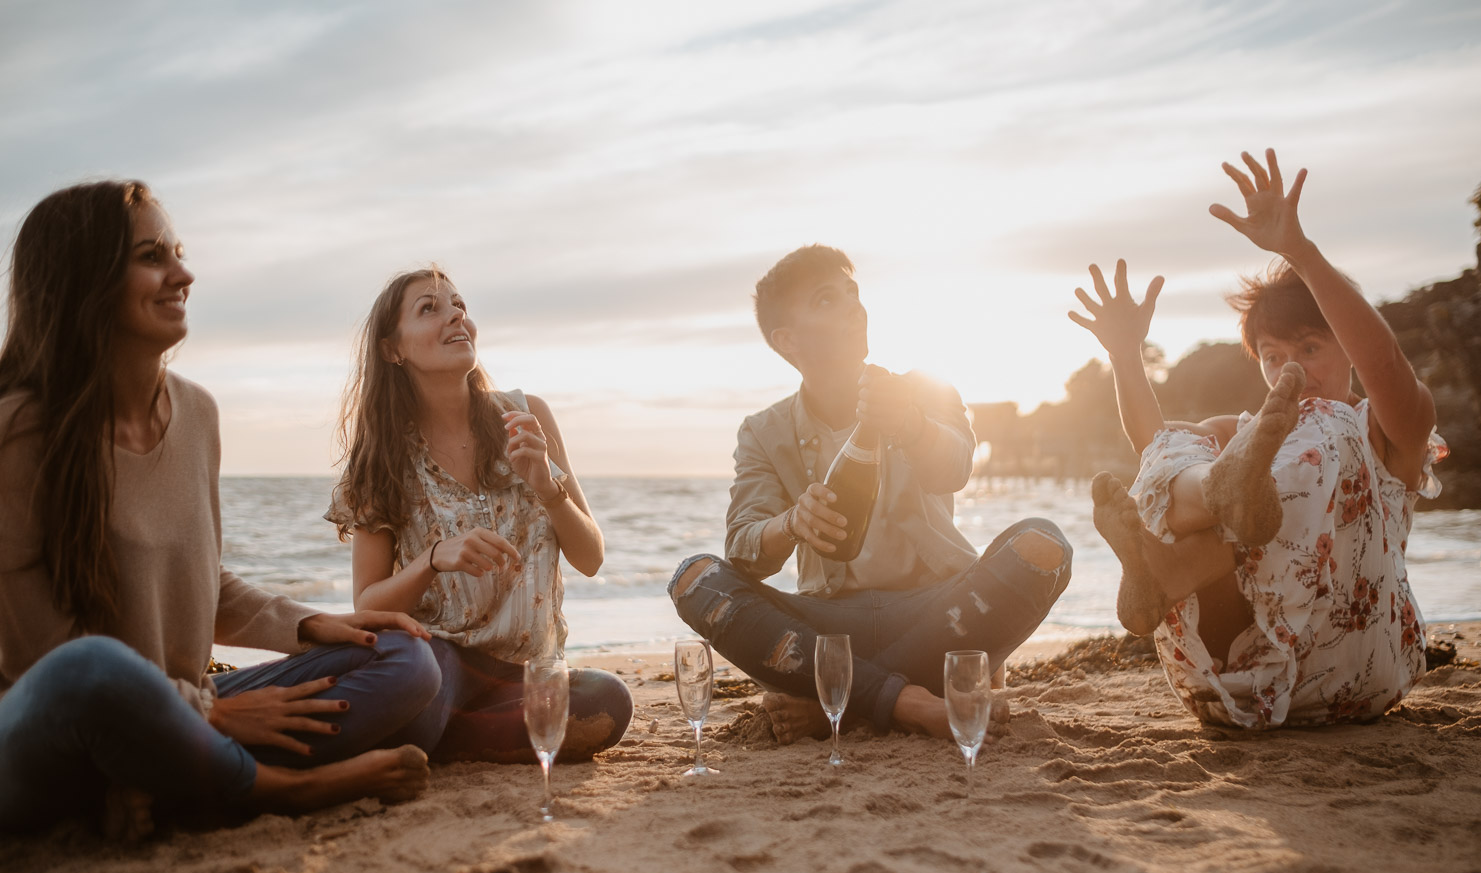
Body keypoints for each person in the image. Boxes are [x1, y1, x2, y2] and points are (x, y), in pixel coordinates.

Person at [0, 181, 437, 838]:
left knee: (404, 658)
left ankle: (159, 783)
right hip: (52, 732)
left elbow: (204, 581)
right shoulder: (19, 433)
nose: (184, 274)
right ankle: (278, 788)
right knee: (93, 666)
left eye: (176, 251)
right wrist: (210, 713)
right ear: (82, 282)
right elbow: (42, 663)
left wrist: (312, 624)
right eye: (152, 257)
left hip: (189, 709)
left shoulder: (197, 414)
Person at [1069, 149, 1446, 729]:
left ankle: (1188, 548)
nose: (1290, 369)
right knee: (1185, 446)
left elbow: (1387, 365)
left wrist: (1300, 253)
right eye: (1273, 356)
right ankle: (1193, 526)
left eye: (1310, 348)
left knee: (1321, 423)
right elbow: (1155, 443)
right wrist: (1125, 355)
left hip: (1356, 671)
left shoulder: (1383, 430)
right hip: (1235, 680)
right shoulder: (1251, 433)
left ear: (1345, 346)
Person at [669, 245, 1072, 743]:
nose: (853, 307)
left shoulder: (925, 389)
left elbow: (955, 468)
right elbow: (744, 550)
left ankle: (841, 700)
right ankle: (911, 700)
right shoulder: (761, 431)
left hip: (939, 610)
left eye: (852, 293)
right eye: (825, 300)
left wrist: (909, 423)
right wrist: (791, 523)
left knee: (1044, 544)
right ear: (787, 339)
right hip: (829, 624)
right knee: (694, 579)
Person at [326, 267, 632, 762]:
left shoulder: (526, 415)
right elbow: (367, 606)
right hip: (438, 661)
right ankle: (469, 732)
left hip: (527, 670)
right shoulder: (381, 458)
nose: (456, 317)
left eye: (459, 305)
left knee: (608, 700)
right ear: (392, 349)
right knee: (420, 695)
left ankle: (453, 738)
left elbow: (591, 558)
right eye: (430, 308)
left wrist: (546, 487)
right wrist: (432, 559)